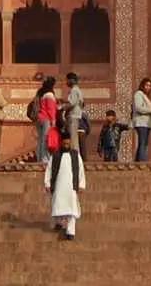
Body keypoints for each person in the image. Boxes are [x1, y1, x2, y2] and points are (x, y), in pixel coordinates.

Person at [47, 103, 86, 241]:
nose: (66, 145)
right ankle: (59, 223)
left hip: (71, 187)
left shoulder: (75, 155)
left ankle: (70, 231)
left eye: (68, 144)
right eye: (64, 144)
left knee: (71, 209)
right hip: (59, 185)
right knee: (58, 205)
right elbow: (49, 169)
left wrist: (81, 184)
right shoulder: (56, 156)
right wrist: (47, 183)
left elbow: (80, 169)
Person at [34, 77, 61, 185]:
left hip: (39, 118)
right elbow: (50, 109)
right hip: (46, 119)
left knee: (40, 139)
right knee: (46, 139)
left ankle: (40, 158)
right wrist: (53, 121)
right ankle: (45, 159)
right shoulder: (49, 94)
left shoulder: (41, 93)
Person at [63, 71, 87, 156]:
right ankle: (76, 156)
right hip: (77, 116)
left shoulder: (74, 90)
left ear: (72, 80)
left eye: (67, 80)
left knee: (73, 139)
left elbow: (71, 103)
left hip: (73, 116)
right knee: (74, 139)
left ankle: (75, 157)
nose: (66, 82)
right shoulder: (78, 90)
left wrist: (62, 108)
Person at [131, 78, 151, 162]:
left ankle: (138, 162)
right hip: (141, 122)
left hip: (146, 123)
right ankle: (142, 162)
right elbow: (138, 108)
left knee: (143, 143)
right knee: (143, 143)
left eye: (150, 86)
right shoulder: (138, 94)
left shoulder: (144, 95)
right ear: (142, 85)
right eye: (146, 85)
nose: (148, 87)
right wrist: (150, 110)